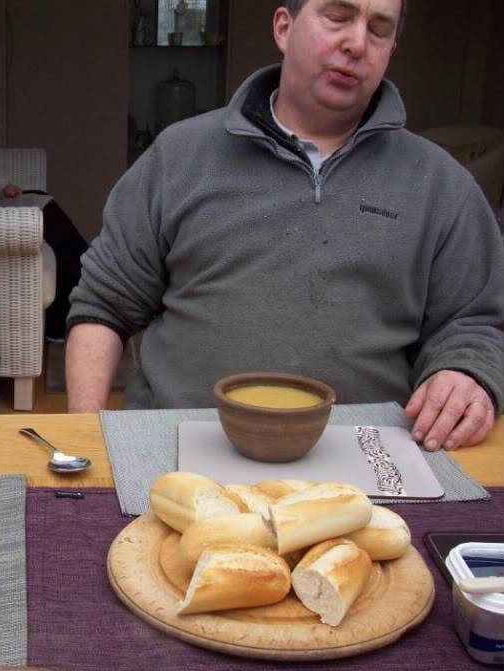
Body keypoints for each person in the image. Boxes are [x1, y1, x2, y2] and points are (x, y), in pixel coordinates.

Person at [65, 0, 503, 452]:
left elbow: (476, 322)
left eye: (378, 28)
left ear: (392, 46)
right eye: (338, 16)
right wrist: (84, 437)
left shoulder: (440, 183)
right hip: (176, 449)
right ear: (283, 28)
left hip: (367, 458)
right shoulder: (178, 157)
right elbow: (103, 306)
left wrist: (465, 371)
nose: (356, 43)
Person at [0, 147, 89, 340]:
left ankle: (76, 301)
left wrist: (0, 187)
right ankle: (89, 294)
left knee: (43, 203)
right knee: (43, 213)